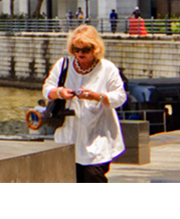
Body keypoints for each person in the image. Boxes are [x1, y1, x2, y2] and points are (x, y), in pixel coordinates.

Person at [43, 24, 126, 183]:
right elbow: (47, 89)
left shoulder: (107, 68)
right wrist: (61, 92)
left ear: (95, 49)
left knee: (93, 177)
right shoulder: (63, 65)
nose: (80, 53)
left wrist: (97, 97)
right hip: (69, 135)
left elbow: (120, 96)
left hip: (98, 136)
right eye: (76, 49)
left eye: (85, 50)